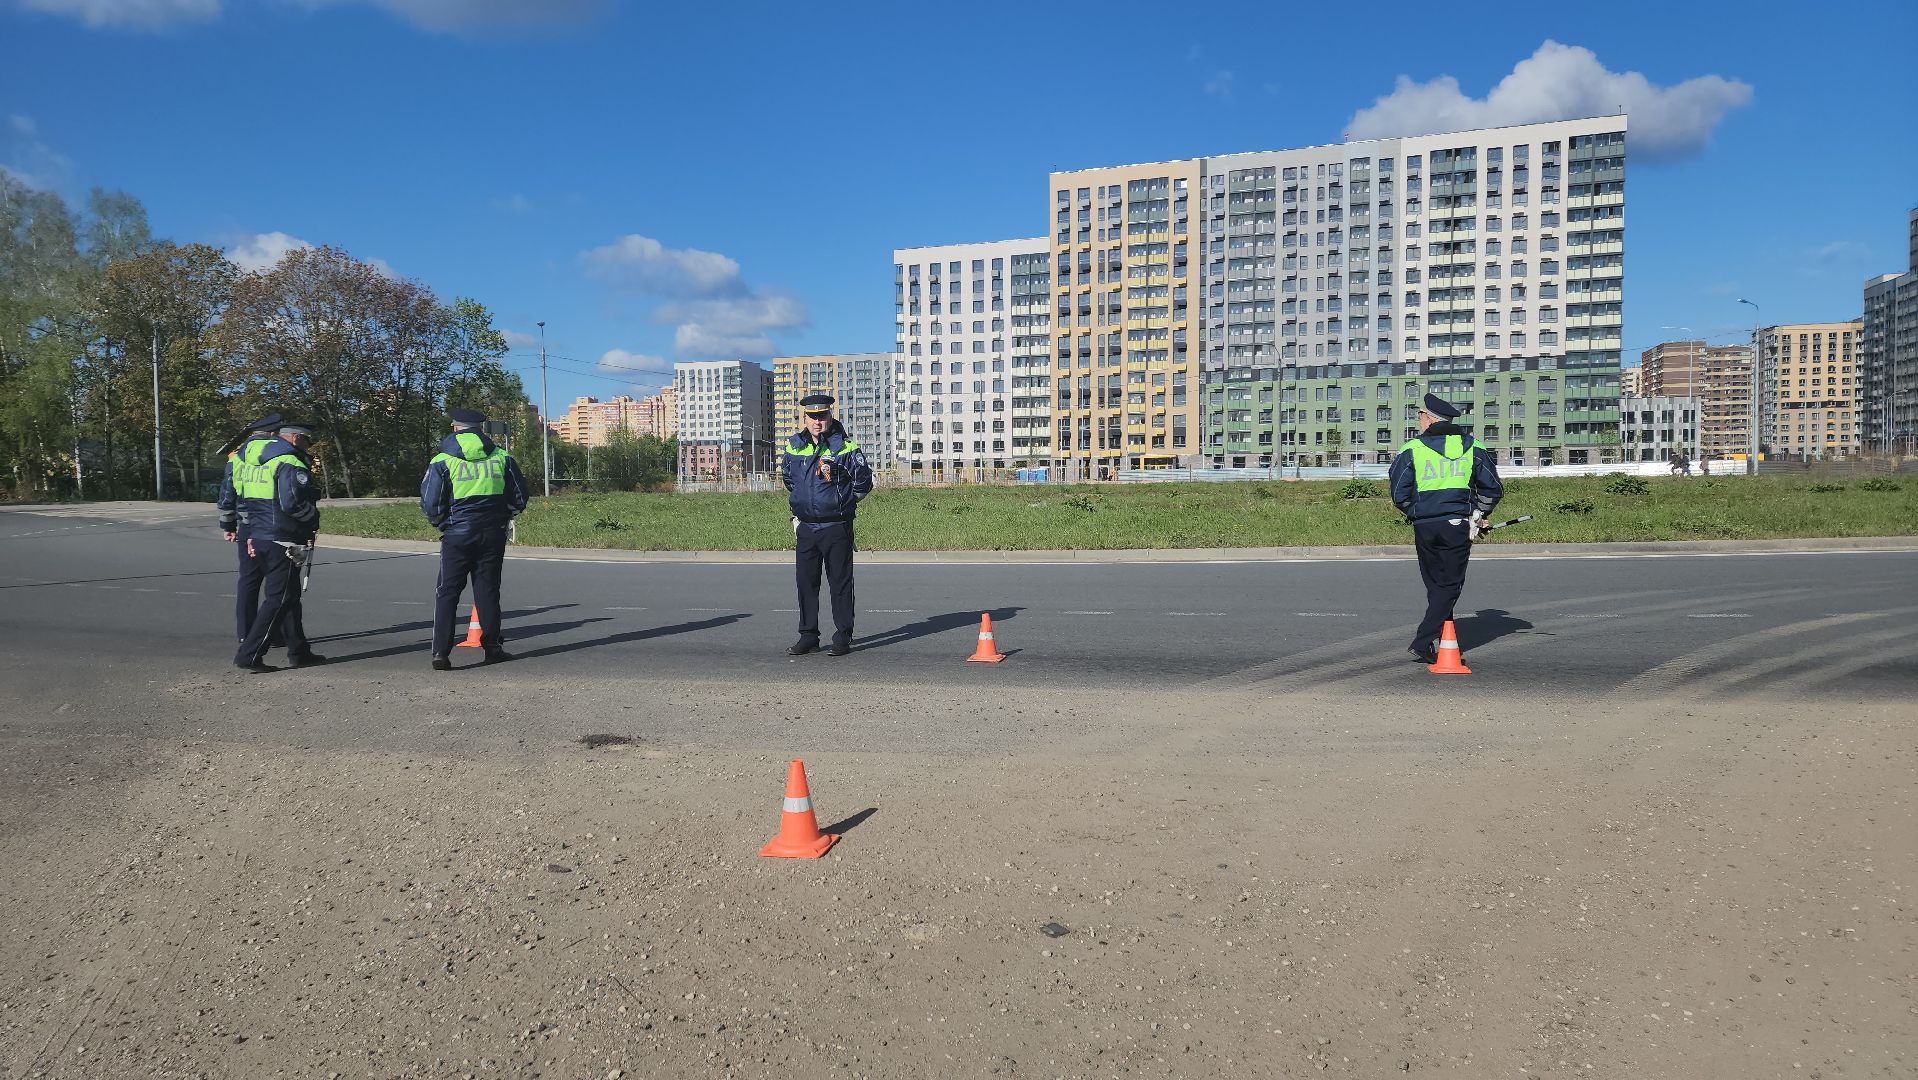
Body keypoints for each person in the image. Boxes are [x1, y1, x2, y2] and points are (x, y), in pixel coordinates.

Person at [1389, 393, 1503, 664]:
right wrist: (1479, 515)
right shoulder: (1473, 446)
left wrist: (1416, 512)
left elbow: (1398, 492)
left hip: (1425, 526)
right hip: (1457, 524)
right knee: (1450, 585)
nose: (1418, 421)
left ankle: (1434, 638)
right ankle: (1423, 640)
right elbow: (1493, 488)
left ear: (1429, 419)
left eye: (1419, 416)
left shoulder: (1412, 449)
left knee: (1436, 584)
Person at [420, 408, 529, 670]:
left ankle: (440, 653)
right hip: (492, 534)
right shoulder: (502, 457)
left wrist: (443, 524)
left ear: (454, 427)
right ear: (481, 429)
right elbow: (520, 497)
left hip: (457, 535)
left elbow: (430, 503)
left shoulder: (443, 460)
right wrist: (503, 518)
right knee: (488, 591)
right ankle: (492, 648)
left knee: (447, 592)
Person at [780, 394, 873, 656]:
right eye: (812, 416)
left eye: (822, 416)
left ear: (830, 417)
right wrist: (803, 507)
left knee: (840, 583)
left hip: (836, 526)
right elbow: (788, 479)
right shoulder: (794, 447)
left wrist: (841, 505)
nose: (817, 422)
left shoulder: (845, 447)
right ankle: (808, 635)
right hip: (807, 527)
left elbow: (863, 483)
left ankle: (843, 635)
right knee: (806, 583)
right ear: (805, 418)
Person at [232, 420, 324, 672]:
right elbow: (291, 503)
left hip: (259, 533)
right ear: (295, 439)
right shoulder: (289, 462)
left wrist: (250, 532)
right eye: (307, 440)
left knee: (290, 596)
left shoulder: (255, 461)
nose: (308, 446)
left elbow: (245, 498)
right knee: (279, 598)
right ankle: (249, 654)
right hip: (282, 537)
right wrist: (313, 518)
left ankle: (299, 650)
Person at [216, 411, 282, 644]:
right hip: (273, 525)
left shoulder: (237, 458)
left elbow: (226, 495)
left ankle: (246, 634)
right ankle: (272, 633)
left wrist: (228, 524)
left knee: (249, 580)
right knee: (278, 583)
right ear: (273, 434)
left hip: (246, 525)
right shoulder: (277, 455)